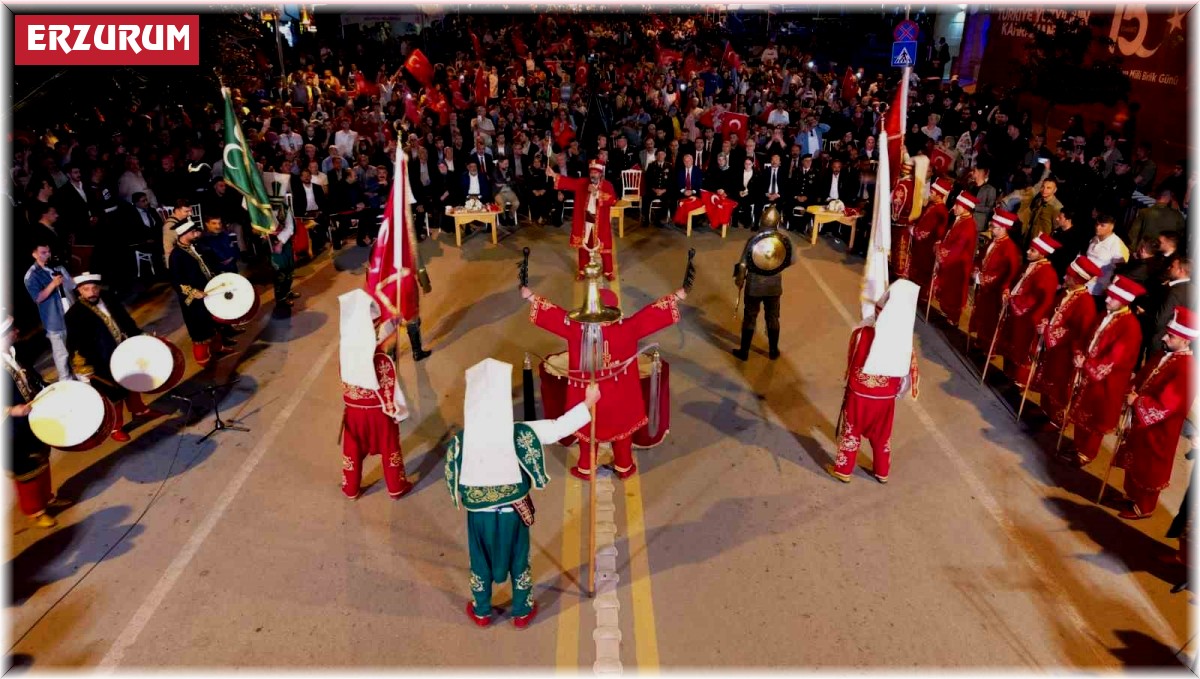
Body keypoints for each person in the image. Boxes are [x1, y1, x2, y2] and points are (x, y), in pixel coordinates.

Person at [445, 358, 599, 629]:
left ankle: (482, 611)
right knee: (519, 558)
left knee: (479, 560)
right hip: (512, 514)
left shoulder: (462, 440)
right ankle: (521, 610)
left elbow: (453, 479)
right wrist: (587, 403)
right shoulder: (518, 433)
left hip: (479, 517)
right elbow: (557, 428)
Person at [522, 266, 685, 480]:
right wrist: (676, 297)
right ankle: (624, 466)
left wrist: (531, 297)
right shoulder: (628, 327)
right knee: (622, 433)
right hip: (620, 394)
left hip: (587, 393)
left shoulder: (574, 327)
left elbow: (554, 314)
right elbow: (651, 313)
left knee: (587, 431)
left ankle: (586, 467)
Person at [827, 280, 921, 484]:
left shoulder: (863, 333)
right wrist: (895, 393)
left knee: (851, 431)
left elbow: (852, 360)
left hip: (860, 395)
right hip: (885, 399)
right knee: (882, 436)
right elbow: (907, 376)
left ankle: (844, 469)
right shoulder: (905, 343)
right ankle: (882, 471)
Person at [1112, 307, 1194, 520]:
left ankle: (1144, 506)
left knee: (1150, 466)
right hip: (1142, 422)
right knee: (1135, 458)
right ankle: (1131, 495)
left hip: (1159, 429)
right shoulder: (1163, 354)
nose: (1165, 338)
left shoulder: (1187, 369)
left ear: (1185, 341)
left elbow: (1169, 404)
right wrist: (1132, 388)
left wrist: (1138, 402)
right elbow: (1143, 375)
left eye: (1171, 336)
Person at [64, 273, 167, 442]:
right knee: (114, 395)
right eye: (86, 289)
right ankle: (115, 427)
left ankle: (139, 410)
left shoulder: (109, 299)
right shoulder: (74, 315)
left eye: (94, 288)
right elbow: (74, 344)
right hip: (101, 360)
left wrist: (140, 336)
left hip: (124, 351)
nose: (91, 293)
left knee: (133, 382)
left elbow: (126, 321)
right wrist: (83, 368)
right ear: (79, 292)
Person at [337, 290, 414, 501]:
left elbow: (376, 345)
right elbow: (389, 386)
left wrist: (391, 327)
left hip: (353, 413)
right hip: (378, 414)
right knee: (390, 449)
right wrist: (397, 411)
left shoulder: (345, 352)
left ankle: (350, 488)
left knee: (352, 451)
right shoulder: (381, 357)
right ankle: (396, 487)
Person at [1066, 275, 1145, 466]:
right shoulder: (1105, 314)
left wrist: (1087, 364)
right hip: (1088, 372)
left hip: (1106, 382)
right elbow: (1088, 336)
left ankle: (1087, 452)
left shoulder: (1130, 327)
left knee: (1096, 417)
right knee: (1081, 410)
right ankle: (1078, 446)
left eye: (1112, 297)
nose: (1107, 299)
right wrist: (1079, 352)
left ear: (1124, 301)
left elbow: (1114, 358)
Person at [3, 312, 63, 528]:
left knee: (42, 457)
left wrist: (49, 387)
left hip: (32, 418)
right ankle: (35, 511)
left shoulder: (15, 352)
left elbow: (32, 378)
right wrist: (10, 410)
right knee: (25, 470)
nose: (17, 332)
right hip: (10, 430)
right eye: (11, 331)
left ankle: (47, 497)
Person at [1031, 256, 1102, 426]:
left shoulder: (1086, 303)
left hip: (1066, 351)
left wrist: (1050, 331)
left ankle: (1057, 419)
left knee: (1059, 384)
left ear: (1078, 279)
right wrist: (1045, 321)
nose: (1065, 277)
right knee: (1047, 377)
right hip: (1052, 347)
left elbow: (1079, 333)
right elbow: (1052, 310)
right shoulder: (1065, 292)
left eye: (1069, 276)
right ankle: (1045, 410)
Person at [997, 235, 1061, 386]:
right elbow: (1015, 281)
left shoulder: (1047, 273)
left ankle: (1020, 380)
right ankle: (1008, 373)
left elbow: (1035, 298)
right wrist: (1007, 290)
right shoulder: (1028, 265)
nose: (1027, 252)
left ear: (1042, 253)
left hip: (1029, 317)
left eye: (1032, 250)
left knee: (1022, 348)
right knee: (1011, 342)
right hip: (1015, 312)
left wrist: (1013, 301)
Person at [168, 219, 233, 365]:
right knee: (201, 330)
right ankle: (203, 360)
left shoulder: (195, 246)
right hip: (194, 300)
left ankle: (218, 347)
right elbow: (176, 281)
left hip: (208, 293)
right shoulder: (176, 256)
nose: (197, 233)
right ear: (184, 234)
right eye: (194, 232)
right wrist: (193, 292)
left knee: (214, 323)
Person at [732, 206, 793, 361]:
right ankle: (773, 351)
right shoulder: (783, 240)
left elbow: (743, 263)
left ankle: (744, 352)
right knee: (773, 317)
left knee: (750, 317)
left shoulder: (754, 239)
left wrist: (739, 280)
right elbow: (788, 261)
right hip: (774, 285)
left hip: (754, 285)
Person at [547, 160, 618, 280]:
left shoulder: (607, 185)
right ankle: (582, 271)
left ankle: (608, 271)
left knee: (604, 245)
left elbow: (613, 200)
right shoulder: (583, 182)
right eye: (591, 172)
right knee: (584, 245)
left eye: (596, 172)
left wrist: (596, 193)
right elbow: (569, 183)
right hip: (586, 218)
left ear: (600, 174)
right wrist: (554, 175)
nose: (593, 175)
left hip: (601, 220)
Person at [970, 209, 1023, 352]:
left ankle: (990, 347)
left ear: (1004, 228)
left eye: (994, 227)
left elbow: (1007, 273)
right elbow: (981, 257)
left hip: (995, 291)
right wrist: (976, 269)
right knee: (982, 314)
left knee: (991, 320)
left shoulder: (1009, 248)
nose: (991, 229)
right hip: (985, 288)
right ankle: (981, 340)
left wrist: (984, 279)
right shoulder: (993, 242)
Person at [23, 242, 77, 381]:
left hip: (71, 313)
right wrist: (53, 284)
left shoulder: (57, 266)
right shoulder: (32, 275)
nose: (48, 255)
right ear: (34, 254)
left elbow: (72, 286)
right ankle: (67, 383)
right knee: (62, 355)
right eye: (43, 252)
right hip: (54, 319)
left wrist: (65, 278)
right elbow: (38, 297)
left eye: (48, 251)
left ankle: (81, 376)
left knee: (77, 348)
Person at [932, 191, 979, 326]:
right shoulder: (961, 220)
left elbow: (957, 247)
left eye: (957, 205)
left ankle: (952, 320)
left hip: (957, 265)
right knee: (947, 292)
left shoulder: (968, 225)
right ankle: (946, 314)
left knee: (953, 294)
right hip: (952, 263)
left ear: (965, 207)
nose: (953, 208)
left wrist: (940, 252)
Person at [909, 177, 952, 295]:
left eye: (932, 192)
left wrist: (914, 230)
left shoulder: (940, 211)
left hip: (927, 247)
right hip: (922, 246)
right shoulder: (933, 205)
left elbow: (927, 230)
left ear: (939, 195)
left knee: (922, 272)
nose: (930, 194)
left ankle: (920, 297)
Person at [1084, 213, 1130, 310]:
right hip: (1085, 285)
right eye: (1097, 224)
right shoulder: (1094, 239)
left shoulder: (1117, 245)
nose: (1098, 227)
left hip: (1099, 291)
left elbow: (1121, 272)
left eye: (1102, 225)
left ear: (1111, 227)